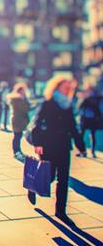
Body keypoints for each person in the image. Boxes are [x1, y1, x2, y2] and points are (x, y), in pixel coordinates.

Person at [28, 76, 86, 227]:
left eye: (69, 87)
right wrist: (37, 143)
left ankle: (61, 211)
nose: (67, 89)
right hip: (48, 146)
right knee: (50, 177)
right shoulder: (48, 103)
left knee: (63, 179)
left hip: (64, 146)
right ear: (56, 87)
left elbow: (73, 127)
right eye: (64, 86)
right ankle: (33, 186)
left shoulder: (67, 105)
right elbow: (36, 124)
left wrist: (81, 145)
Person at [7, 83, 31, 159]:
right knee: (17, 136)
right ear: (20, 91)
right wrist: (26, 100)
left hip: (19, 119)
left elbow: (27, 107)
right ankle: (16, 152)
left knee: (18, 136)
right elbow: (25, 108)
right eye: (23, 91)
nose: (25, 92)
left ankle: (18, 151)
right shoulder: (16, 99)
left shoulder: (21, 98)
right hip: (17, 120)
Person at [79, 88, 103, 158]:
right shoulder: (97, 99)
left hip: (87, 119)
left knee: (83, 135)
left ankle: (84, 151)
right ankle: (89, 152)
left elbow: (79, 107)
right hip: (91, 119)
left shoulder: (89, 99)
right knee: (90, 135)